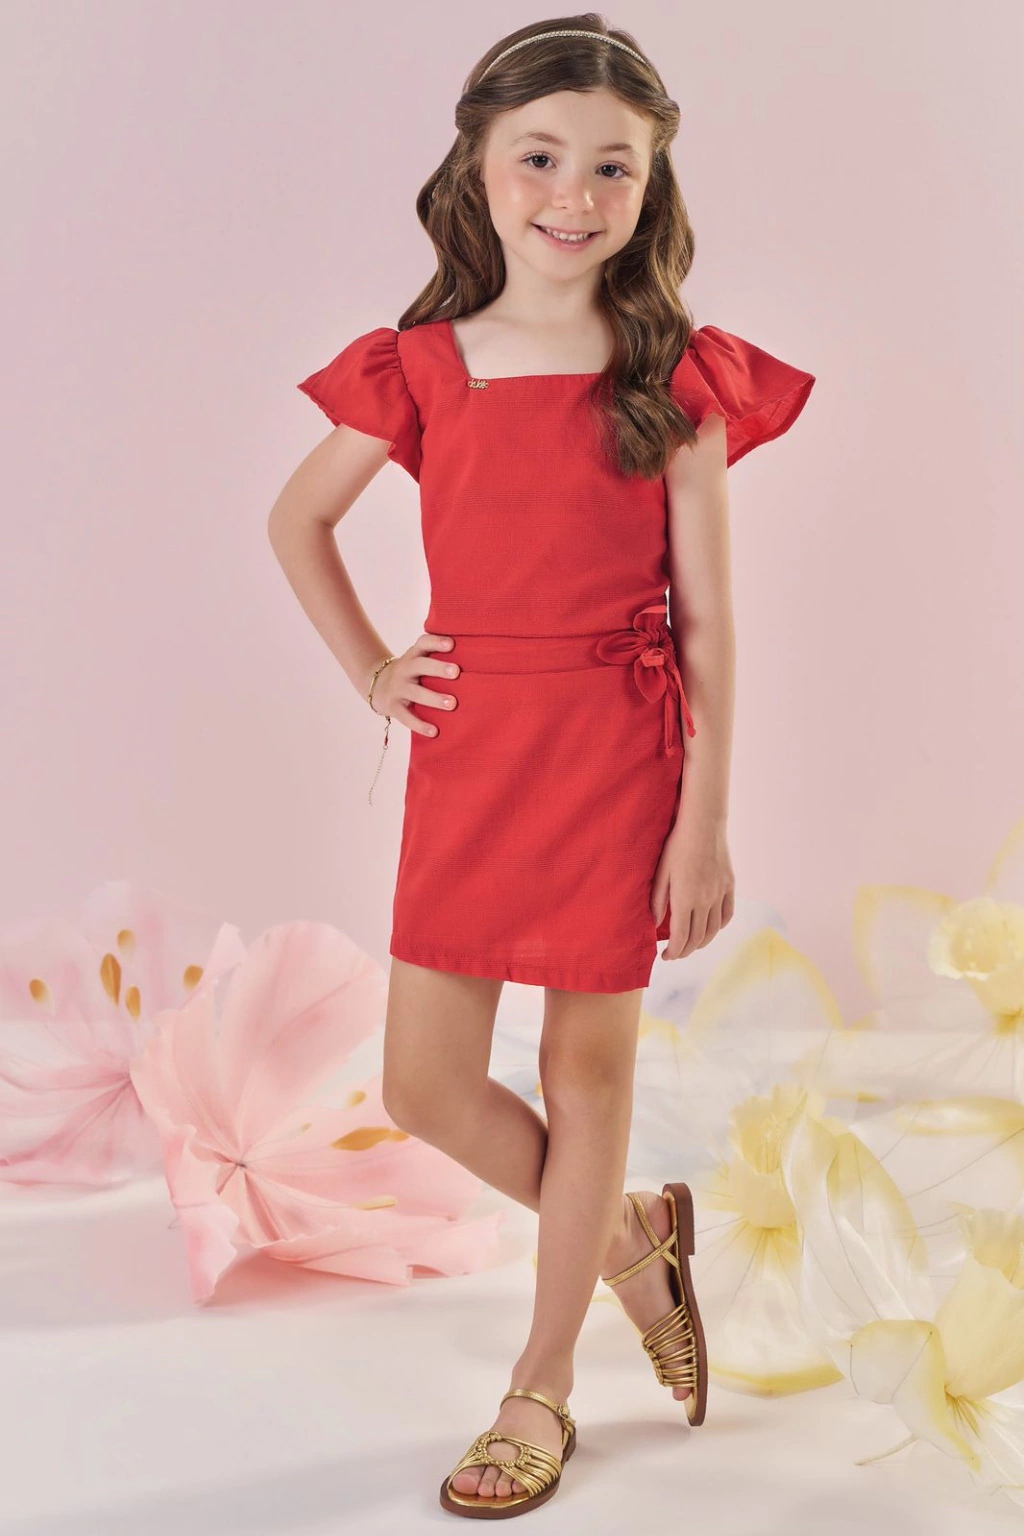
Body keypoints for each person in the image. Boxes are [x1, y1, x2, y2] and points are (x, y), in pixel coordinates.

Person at [269, 14, 816, 1518]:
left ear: (651, 185)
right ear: (477, 166)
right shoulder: (420, 366)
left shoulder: (675, 376)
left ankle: (544, 1379)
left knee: (591, 1072)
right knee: (425, 1081)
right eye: (540, 157)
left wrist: (705, 822)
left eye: (612, 167)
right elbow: (295, 521)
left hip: (620, 757)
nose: (574, 195)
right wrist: (375, 667)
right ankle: (630, 1237)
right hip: (473, 752)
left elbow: (708, 623)